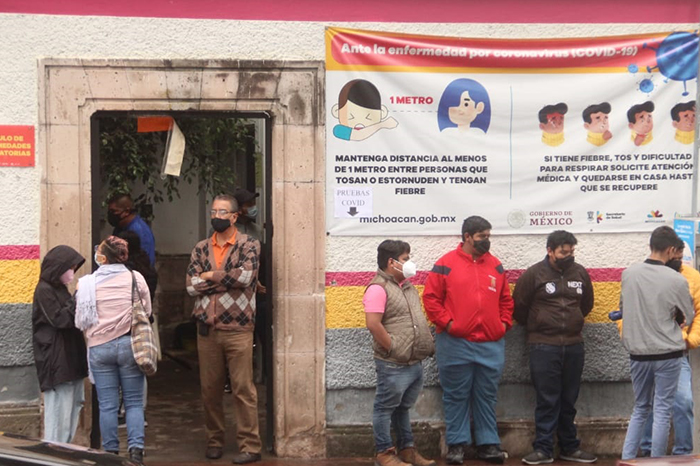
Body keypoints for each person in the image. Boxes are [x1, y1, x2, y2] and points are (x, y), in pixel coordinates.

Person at [423, 216, 514, 465]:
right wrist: (449, 324)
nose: (487, 241)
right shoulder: (445, 264)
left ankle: (488, 444)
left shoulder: (495, 265)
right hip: (454, 342)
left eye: (488, 236)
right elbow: (431, 299)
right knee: (455, 395)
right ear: (467, 237)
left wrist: (503, 325)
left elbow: (506, 300)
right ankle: (457, 445)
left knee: (487, 395)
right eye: (482, 236)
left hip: (491, 342)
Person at [186, 193, 262, 464]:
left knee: (243, 389)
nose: (216, 216)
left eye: (222, 212)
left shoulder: (249, 244)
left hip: (239, 329)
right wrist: (226, 280)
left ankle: (250, 446)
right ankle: (214, 441)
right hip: (207, 329)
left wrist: (208, 276)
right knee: (210, 390)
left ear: (234, 216)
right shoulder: (200, 248)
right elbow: (191, 285)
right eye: (213, 211)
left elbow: (246, 276)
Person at [512, 231, 596, 464]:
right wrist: (540, 325)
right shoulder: (534, 274)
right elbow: (519, 307)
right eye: (563, 252)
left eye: (571, 252)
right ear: (550, 251)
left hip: (574, 345)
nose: (568, 256)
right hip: (543, 346)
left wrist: (572, 321)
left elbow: (586, 304)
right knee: (547, 400)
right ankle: (543, 449)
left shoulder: (580, 273)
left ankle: (570, 447)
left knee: (569, 399)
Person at [74, 236, 151, 463]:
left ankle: (110, 454)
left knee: (107, 405)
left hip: (99, 348)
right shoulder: (135, 278)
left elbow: (80, 318)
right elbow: (146, 311)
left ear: (104, 257)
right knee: (134, 402)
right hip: (129, 345)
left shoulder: (86, 283)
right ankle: (136, 453)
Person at [620, 226, 693, 459]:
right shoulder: (677, 279)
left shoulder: (628, 274)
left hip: (638, 353)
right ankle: (657, 462)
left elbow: (623, 309)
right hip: (668, 354)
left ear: (651, 245)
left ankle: (628, 459)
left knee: (640, 408)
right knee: (662, 410)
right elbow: (689, 315)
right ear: (671, 250)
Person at [364, 240, 436, 466]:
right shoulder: (378, 288)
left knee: (402, 409)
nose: (409, 263)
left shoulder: (406, 287)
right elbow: (373, 324)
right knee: (384, 408)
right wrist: (393, 347)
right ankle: (384, 454)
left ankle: (407, 450)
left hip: (413, 362)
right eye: (405, 259)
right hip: (393, 363)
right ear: (391, 262)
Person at [636, 239, 700, 456]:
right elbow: (626, 311)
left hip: (676, 352)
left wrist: (690, 340)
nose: (678, 260)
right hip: (646, 350)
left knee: (683, 401)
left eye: (681, 258)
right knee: (648, 404)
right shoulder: (641, 275)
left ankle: (683, 454)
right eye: (675, 256)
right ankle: (648, 452)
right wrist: (631, 337)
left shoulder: (692, 277)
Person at [32, 245, 87, 443]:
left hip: (69, 359)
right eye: (69, 268)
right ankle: (54, 450)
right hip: (57, 361)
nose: (71, 272)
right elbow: (60, 319)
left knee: (72, 408)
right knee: (59, 413)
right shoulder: (44, 290)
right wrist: (77, 298)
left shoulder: (59, 289)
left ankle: (64, 448)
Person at [331, 79, 398, 141]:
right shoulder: (338, 130)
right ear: (336, 111)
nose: (359, 123)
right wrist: (382, 124)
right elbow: (358, 135)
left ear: (382, 113)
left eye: (368, 117)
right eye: (351, 117)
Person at [108, 193, 156, 266]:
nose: (111, 214)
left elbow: (145, 263)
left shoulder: (140, 232)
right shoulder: (119, 227)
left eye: (114, 211)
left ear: (127, 211)